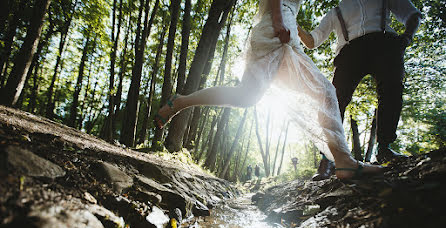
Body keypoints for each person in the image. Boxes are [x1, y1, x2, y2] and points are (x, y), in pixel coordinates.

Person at [155, 0, 384, 180]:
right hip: (278, 29)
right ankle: (344, 161)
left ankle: (180, 102)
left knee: (246, 96)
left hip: (282, 27)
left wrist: (289, 25)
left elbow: (312, 42)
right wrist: (278, 21)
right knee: (324, 91)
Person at [297, 0, 421, 180]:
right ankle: (329, 159)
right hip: (349, 52)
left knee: (391, 90)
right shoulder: (336, 12)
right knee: (332, 101)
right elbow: (312, 41)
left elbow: (413, 14)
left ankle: (384, 148)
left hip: (385, 44)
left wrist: (407, 37)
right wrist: (293, 24)